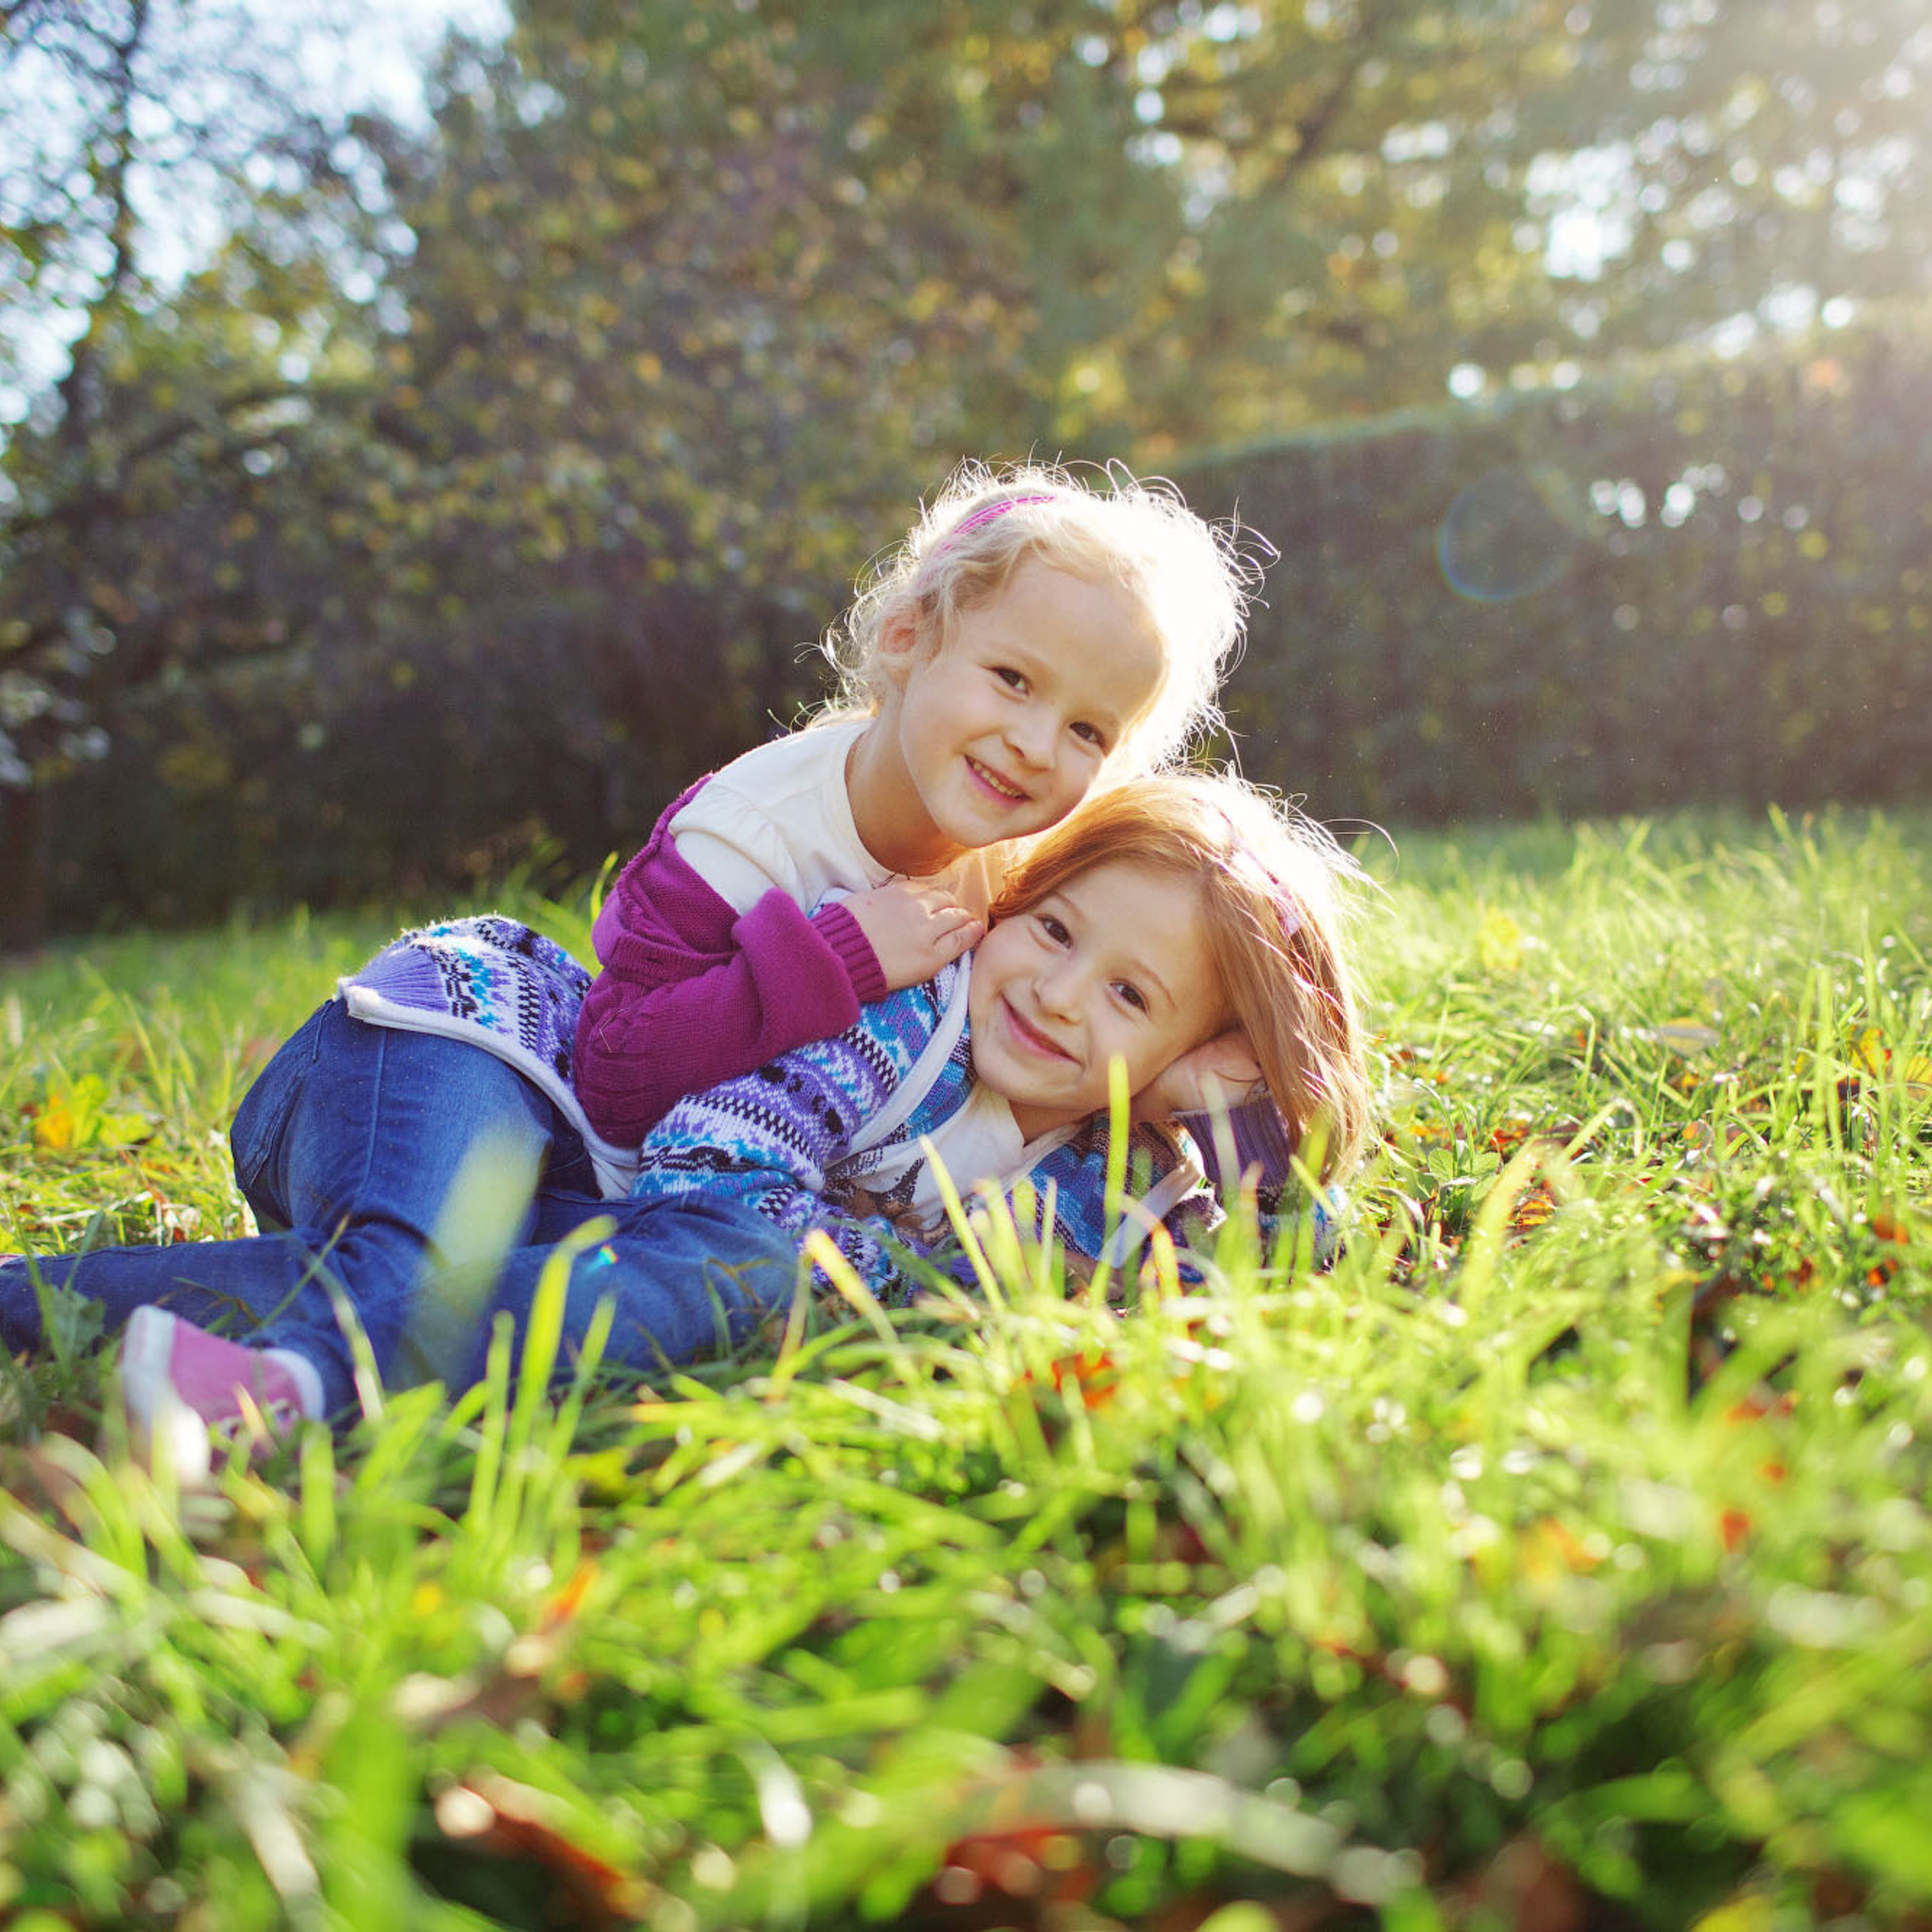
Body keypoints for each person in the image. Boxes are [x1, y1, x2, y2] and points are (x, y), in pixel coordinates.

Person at [1, 774, 1371, 1463]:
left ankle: (62, 1320)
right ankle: (310, 1394)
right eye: (1056, 930)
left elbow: (1265, 1262)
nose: (1061, 995)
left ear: (1201, 1053)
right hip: (457, 1051)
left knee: (445, 1273)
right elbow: (714, 1154)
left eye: (1133, 997)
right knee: (728, 1263)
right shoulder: (912, 1013)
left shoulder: (1100, 1190)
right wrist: (828, 1283)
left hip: (515, 1193)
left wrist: (1227, 1110)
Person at [574, 458, 1256, 1141]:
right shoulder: (749, 833)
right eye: (1013, 679)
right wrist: (838, 959)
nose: (1039, 747)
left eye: (1086, 730)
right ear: (907, 638)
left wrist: (1148, 1096)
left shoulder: (1039, 873)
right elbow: (611, 1078)